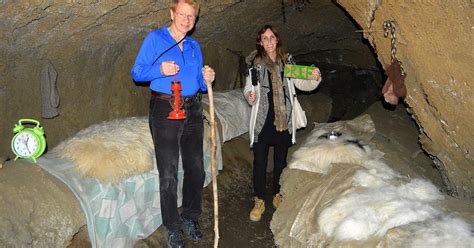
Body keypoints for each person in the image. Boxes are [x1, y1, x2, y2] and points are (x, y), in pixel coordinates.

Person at [131, 1, 215, 247]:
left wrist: (206, 78)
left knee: (196, 168)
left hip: (192, 107)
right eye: (182, 14)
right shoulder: (155, 40)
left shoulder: (194, 46)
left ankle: (190, 216)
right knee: (168, 173)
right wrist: (160, 69)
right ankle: (172, 226)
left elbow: (199, 84)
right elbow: (137, 73)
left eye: (192, 16)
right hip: (165, 108)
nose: (187, 20)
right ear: (171, 14)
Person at [243, 25, 322, 222]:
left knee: (280, 159)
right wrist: (250, 96)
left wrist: (314, 77)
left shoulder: (287, 62)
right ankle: (259, 199)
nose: (269, 41)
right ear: (260, 42)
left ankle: (277, 193)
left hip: (283, 119)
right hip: (263, 120)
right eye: (265, 38)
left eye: (272, 37)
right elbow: (248, 89)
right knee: (259, 161)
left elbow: (302, 83)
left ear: (277, 40)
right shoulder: (255, 64)